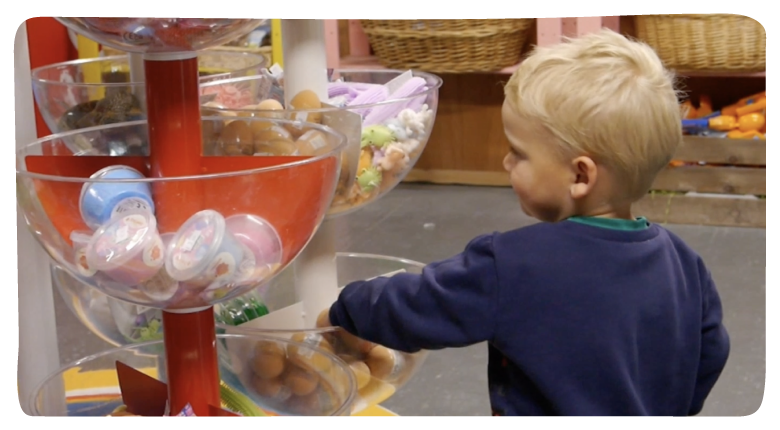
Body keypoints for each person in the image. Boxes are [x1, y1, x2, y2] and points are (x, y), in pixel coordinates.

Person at [326, 29, 730, 417]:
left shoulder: (515, 263)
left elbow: (422, 304)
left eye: (518, 153)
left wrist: (346, 306)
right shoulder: (685, 264)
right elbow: (710, 352)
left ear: (580, 176)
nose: (506, 162)